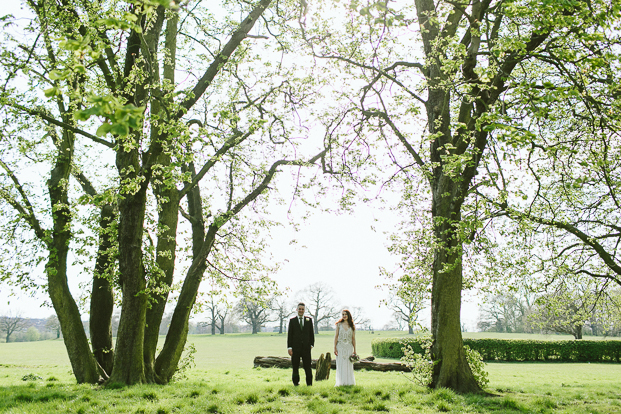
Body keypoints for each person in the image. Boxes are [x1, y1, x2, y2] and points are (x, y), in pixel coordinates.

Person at [287, 302, 314, 386]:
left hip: (306, 348)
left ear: (304, 310)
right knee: (295, 367)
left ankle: (309, 384)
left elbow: (311, 334)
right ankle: (296, 383)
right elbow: (290, 335)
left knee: (307, 367)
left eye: (302, 309)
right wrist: (289, 348)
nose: (301, 311)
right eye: (300, 309)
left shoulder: (309, 320)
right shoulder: (292, 321)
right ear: (297, 310)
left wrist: (311, 345)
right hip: (295, 348)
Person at [334, 309, 357, 386]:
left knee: (348, 364)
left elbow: (353, 338)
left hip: (349, 347)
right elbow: (336, 336)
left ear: (348, 315)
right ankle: (340, 382)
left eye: (345, 314)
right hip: (340, 346)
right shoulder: (339, 325)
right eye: (343, 314)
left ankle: (349, 382)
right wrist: (335, 348)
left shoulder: (352, 325)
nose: (344, 316)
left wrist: (355, 350)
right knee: (341, 364)